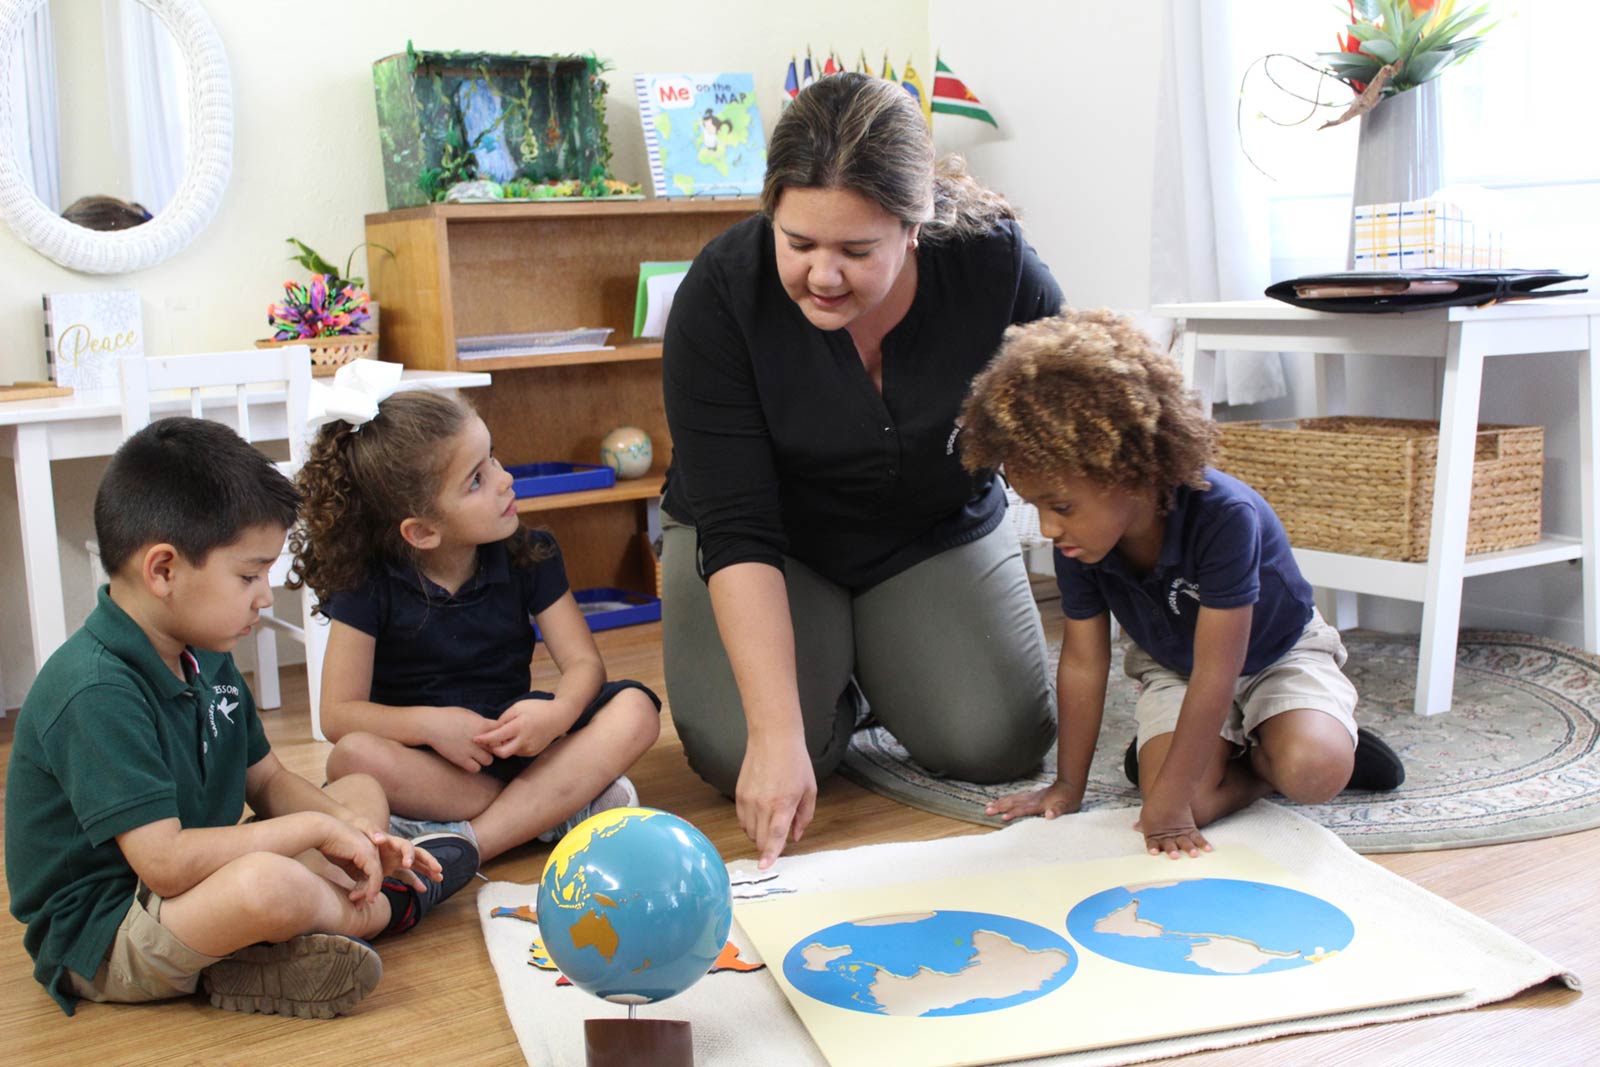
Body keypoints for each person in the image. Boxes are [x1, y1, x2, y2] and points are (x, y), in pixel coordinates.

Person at [661, 71, 1063, 867]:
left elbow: (1079, 429)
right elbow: (738, 527)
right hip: (775, 544)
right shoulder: (720, 294)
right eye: (799, 242)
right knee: (740, 750)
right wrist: (777, 738)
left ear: (916, 227)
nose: (823, 274)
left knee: (999, 741)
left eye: (856, 250)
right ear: (770, 211)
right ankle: (836, 678)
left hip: (930, 531)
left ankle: (872, 659)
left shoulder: (994, 265)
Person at [6, 417, 478, 1020]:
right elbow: (168, 865)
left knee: (358, 792)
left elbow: (269, 781)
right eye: (249, 575)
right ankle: (383, 912)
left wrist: (354, 834)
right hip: (109, 932)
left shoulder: (202, 648)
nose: (264, 596)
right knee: (266, 885)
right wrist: (315, 836)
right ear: (164, 570)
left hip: (192, 887)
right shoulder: (94, 689)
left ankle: (264, 956)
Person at [958, 310, 1406, 859]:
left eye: (1061, 506)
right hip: (1174, 665)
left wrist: (1169, 796)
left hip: (1278, 654)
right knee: (1178, 800)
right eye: (1036, 507)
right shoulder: (1081, 539)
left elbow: (1220, 671)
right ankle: (1235, 755)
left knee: (1312, 772)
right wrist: (1068, 788)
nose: (1049, 529)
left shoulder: (1225, 517)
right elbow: (1082, 661)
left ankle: (1283, 755)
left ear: (1131, 472)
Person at [289, 387, 661, 863]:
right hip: (435, 768)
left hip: (523, 744)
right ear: (422, 531)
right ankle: (550, 810)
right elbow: (338, 715)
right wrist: (431, 726)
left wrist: (559, 713)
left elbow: (584, 663)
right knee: (353, 758)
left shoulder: (530, 550)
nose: (505, 480)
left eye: (494, 460)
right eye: (476, 480)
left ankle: (469, 844)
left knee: (637, 710)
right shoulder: (367, 584)